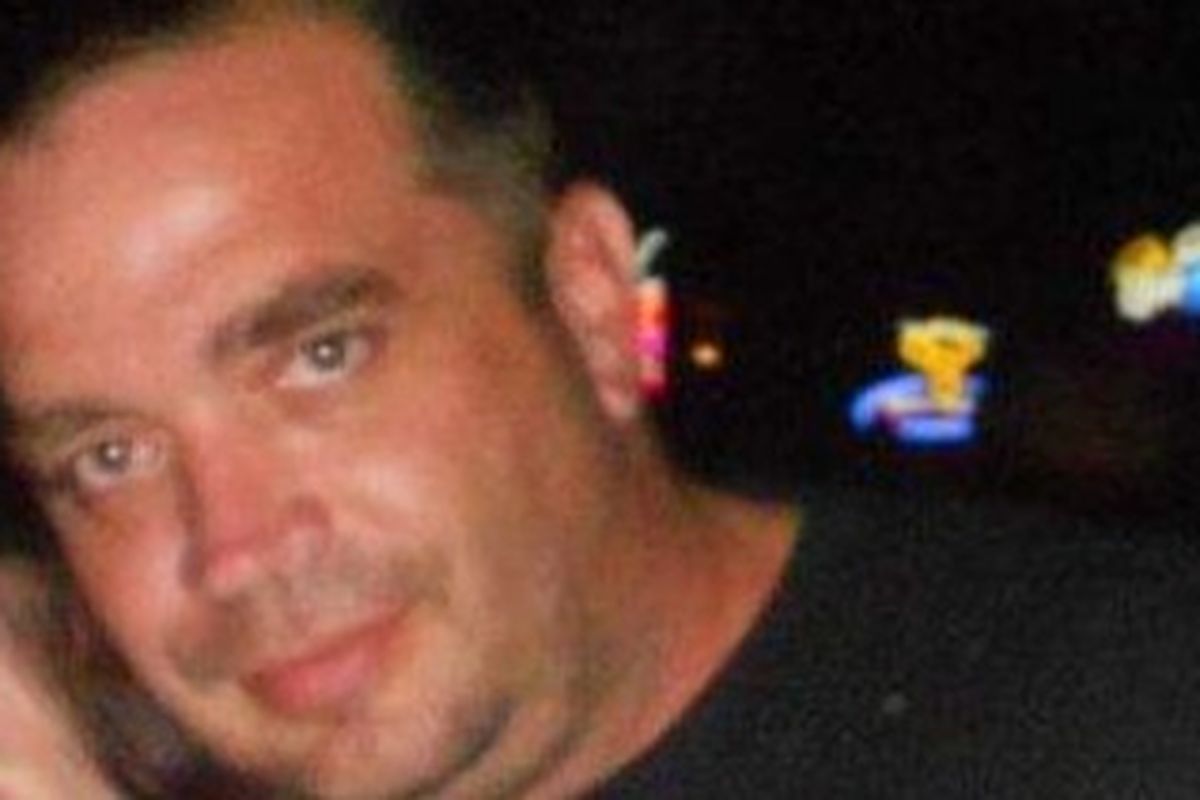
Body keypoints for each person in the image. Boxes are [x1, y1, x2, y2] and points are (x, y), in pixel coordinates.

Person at [0, 2, 1198, 798]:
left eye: (322, 355)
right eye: (108, 454)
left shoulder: (1129, 714)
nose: (236, 548)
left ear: (589, 301)